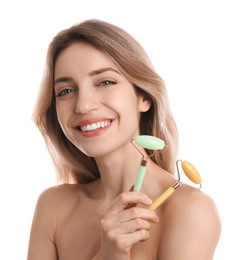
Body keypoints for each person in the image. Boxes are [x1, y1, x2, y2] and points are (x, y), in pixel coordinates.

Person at [27, 19, 221, 260]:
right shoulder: (53, 206)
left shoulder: (190, 210)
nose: (84, 105)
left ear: (143, 97)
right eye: (66, 90)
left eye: (105, 82)